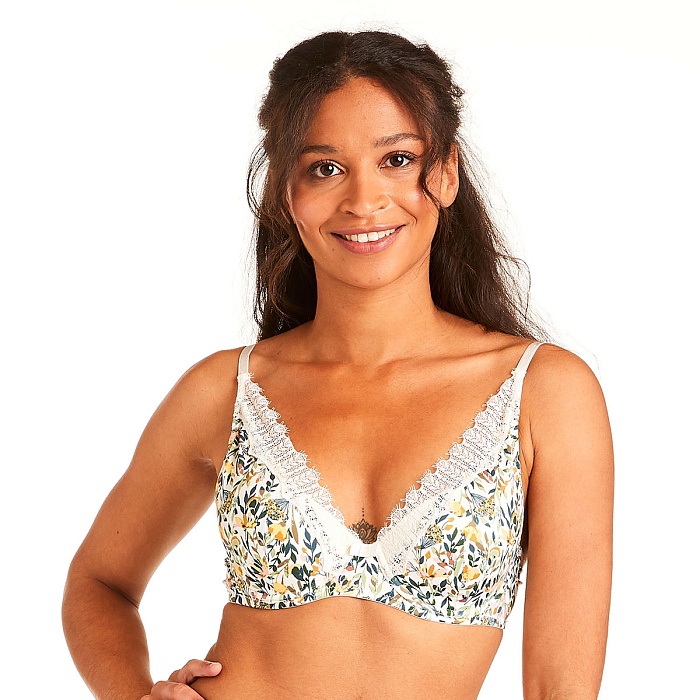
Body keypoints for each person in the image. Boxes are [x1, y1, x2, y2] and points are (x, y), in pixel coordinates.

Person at [62, 30, 613, 700]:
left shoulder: (544, 392)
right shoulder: (227, 390)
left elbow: (560, 687)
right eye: (325, 168)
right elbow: (99, 582)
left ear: (446, 172)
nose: (362, 200)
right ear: (285, 191)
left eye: (397, 160)